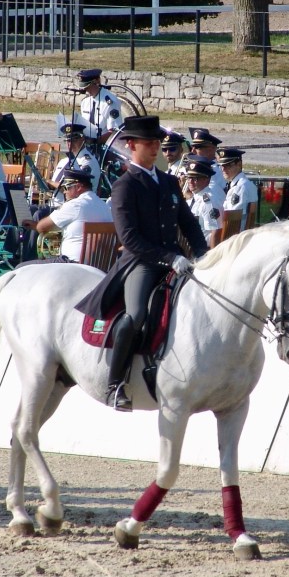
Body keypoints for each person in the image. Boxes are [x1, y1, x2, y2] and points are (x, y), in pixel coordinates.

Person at [75, 115, 208, 412]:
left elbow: (188, 223)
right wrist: (171, 257)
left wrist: (203, 254)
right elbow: (130, 238)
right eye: (148, 143)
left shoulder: (170, 181)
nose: (155, 148)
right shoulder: (125, 186)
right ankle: (116, 384)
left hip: (177, 261)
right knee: (135, 315)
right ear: (131, 145)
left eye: (156, 143)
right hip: (142, 263)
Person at [24, 167, 113, 263]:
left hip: (72, 263)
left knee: (21, 268)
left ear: (78, 187)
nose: (65, 192)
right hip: (101, 265)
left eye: (66, 188)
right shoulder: (105, 206)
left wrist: (30, 224)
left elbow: (41, 227)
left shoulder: (75, 205)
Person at [184, 158, 224, 248]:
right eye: (189, 177)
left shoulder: (208, 202)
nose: (190, 181)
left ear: (207, 179)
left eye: (195, 178)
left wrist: (213, 260)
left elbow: (216, 232)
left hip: (200, 251)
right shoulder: (195, 198)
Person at [77, 68, 124, 140]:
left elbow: (115, 131)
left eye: (87, 87)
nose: (85, 89)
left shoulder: (110, 103)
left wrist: (96, 141)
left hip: (104, 146)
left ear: (96, 82)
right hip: (86, 144)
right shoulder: (85, 102)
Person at [217, 147, 258, 229]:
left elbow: (232, 221)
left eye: (228, 165)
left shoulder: (239, 188)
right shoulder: (245, 184)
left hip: (235, 236)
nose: (223, 169)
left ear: (239, 164)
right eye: (221, 165)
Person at [188, 127, 226, 193]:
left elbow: (207, 196)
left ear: (211, 149)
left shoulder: (214, 171)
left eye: (197, 147)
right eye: (192, 147)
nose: (193, 151)